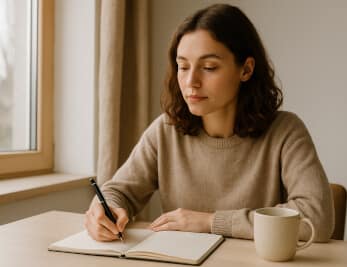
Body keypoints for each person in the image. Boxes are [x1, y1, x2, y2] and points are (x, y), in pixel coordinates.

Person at [84, 3, 334, 242]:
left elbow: (317, 218)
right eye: (183, 66)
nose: (191, 81)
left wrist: (210, 222)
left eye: (209, 67)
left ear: (246, 70)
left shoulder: (286, 132)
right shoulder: (165, 131)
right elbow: (119, 191)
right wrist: (104, 210)